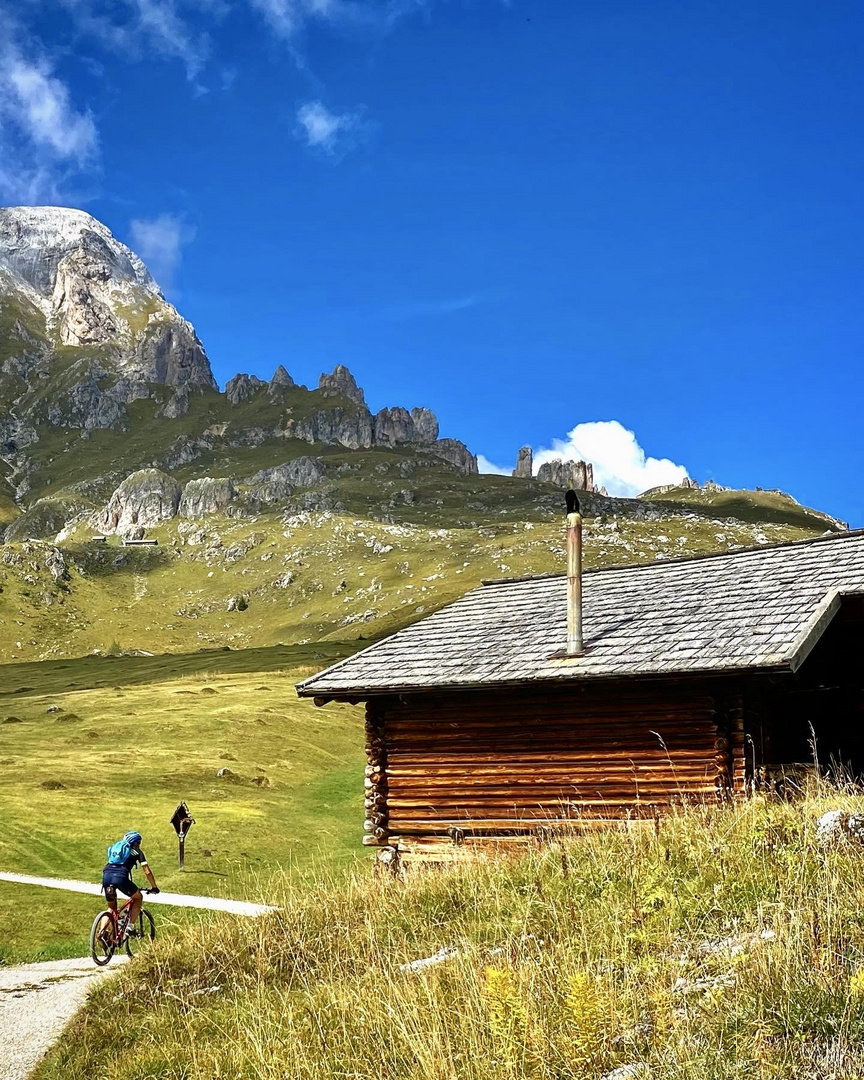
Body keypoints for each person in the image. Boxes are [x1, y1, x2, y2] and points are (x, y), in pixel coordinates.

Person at [101, 830, 159, 936]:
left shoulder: (117, 849)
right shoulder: (137, 851)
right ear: (136, 842)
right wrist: (154, 887)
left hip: (106, 876)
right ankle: (130, 927)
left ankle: (101, 933)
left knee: (110, 908)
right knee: (138, 897)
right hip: (120, 878)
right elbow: (147, 871)